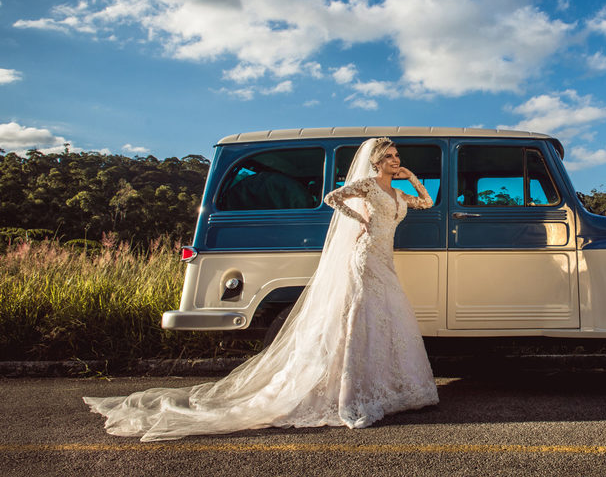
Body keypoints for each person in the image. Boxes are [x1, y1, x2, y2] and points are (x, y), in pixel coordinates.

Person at [83, 137, 439, 441]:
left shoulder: (397, 192)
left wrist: (413, 178)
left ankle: (388, 389)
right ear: (377, 161)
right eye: (392, 157)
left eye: (397, 158)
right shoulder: (366, 186)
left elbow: (428, 203)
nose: (397, 161)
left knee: (384, 317)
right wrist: (360, 219)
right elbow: (332, 198)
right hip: (364, 256)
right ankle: (349, 391)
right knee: (358, 315)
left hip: (384, 259)